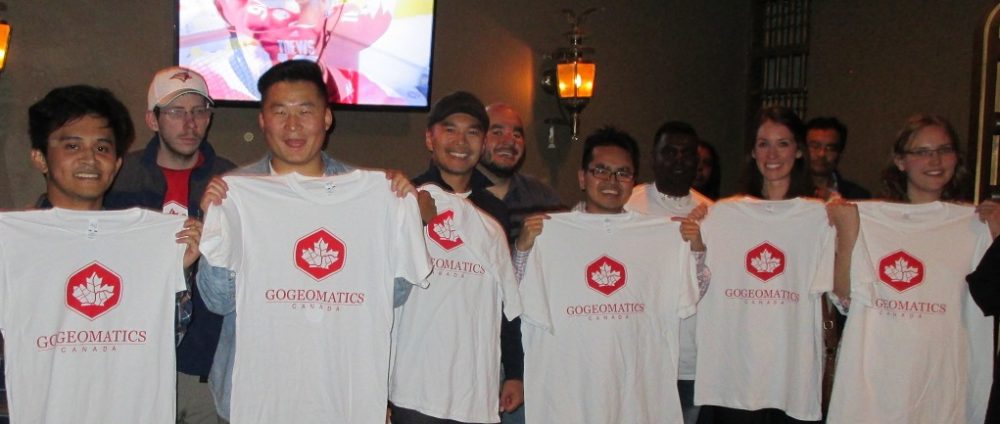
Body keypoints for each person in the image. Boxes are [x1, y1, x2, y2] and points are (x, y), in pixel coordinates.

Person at [195, 59, 415, 422]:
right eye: (280, 112)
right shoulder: (236, 192)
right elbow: (218, 301)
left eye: (305, 111)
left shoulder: (369, 193)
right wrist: (217, 225)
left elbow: (394, 295)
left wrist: (399, 216)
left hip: (339, 395)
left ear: (327, 118)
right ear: (262, 121)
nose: (293, 125)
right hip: (254, 397)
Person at [1, 85, 201, 423]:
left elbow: (168, 338)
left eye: (102, 147)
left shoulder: (144, 243)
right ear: (39, 158)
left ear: (117, 162)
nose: (90, 159)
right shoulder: (11, 243)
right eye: (72, 145)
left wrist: (175, 272)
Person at [512, 126, 703, 423]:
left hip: (636, 397)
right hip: (569, 396)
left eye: (622, 173)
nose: (612, 181)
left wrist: (696, 250)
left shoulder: (660, 236)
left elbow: (692, 294)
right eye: (601, 170)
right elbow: (515, 297)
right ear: (582, 177)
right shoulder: (549, 233)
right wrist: (523, 248)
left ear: (633, 181)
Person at [825, 114, 993, 424]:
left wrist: (996, 234)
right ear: (900, 161)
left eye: (944, 149)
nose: (935, 160)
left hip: (942, 388)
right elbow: (843, 297)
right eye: (922, 151)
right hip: (874, 388)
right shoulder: (866, 220)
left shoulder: (976, 226)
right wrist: (847, 233)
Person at [105, 66, 236, 424]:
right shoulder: (117, 178)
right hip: (129, 360)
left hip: (202, 367)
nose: (189, 123)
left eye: (199, 111)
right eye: (176, 112)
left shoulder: (231, 182)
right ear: (153, 119)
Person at [389, 91, 523, 423]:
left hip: (473, 387)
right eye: (450, 129)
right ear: (430, 138)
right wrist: (416, 221)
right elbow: (380, 292)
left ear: (483, 143)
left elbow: (506, 299)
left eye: (472, 132)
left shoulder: (494, 213)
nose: (461, 141)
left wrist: (515, 372)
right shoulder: (401, 199)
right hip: (412, 384)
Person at [696, 106, 832, 423]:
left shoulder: (819, 217)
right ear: (753, 152)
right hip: (734, 376)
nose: (772, 154)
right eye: (763, 144)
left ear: (799, 150)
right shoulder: (721, 216)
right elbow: (694, 285)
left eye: (783, 143)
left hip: (791, 376)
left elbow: (839, 293)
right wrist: (697, 240)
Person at [625, 120, 712, 424]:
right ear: (653, 157)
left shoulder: (712, 213)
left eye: (686, 153)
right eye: (669, 152)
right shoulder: (626, 204)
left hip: (689, 362)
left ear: (697, 161)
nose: (678, 160)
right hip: (638, 356)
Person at [477, 103, 564, 242]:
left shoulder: (543, 197)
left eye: (516, 135)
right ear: (477, 139)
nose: (510, 141)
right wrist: (520, 247)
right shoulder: (459, 197)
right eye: (497, 132)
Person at [804, 117, 871, 200]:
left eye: (830, 148)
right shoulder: (789, 191)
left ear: (840, 153)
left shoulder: (857, 196)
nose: (821, 154)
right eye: (815, 146)